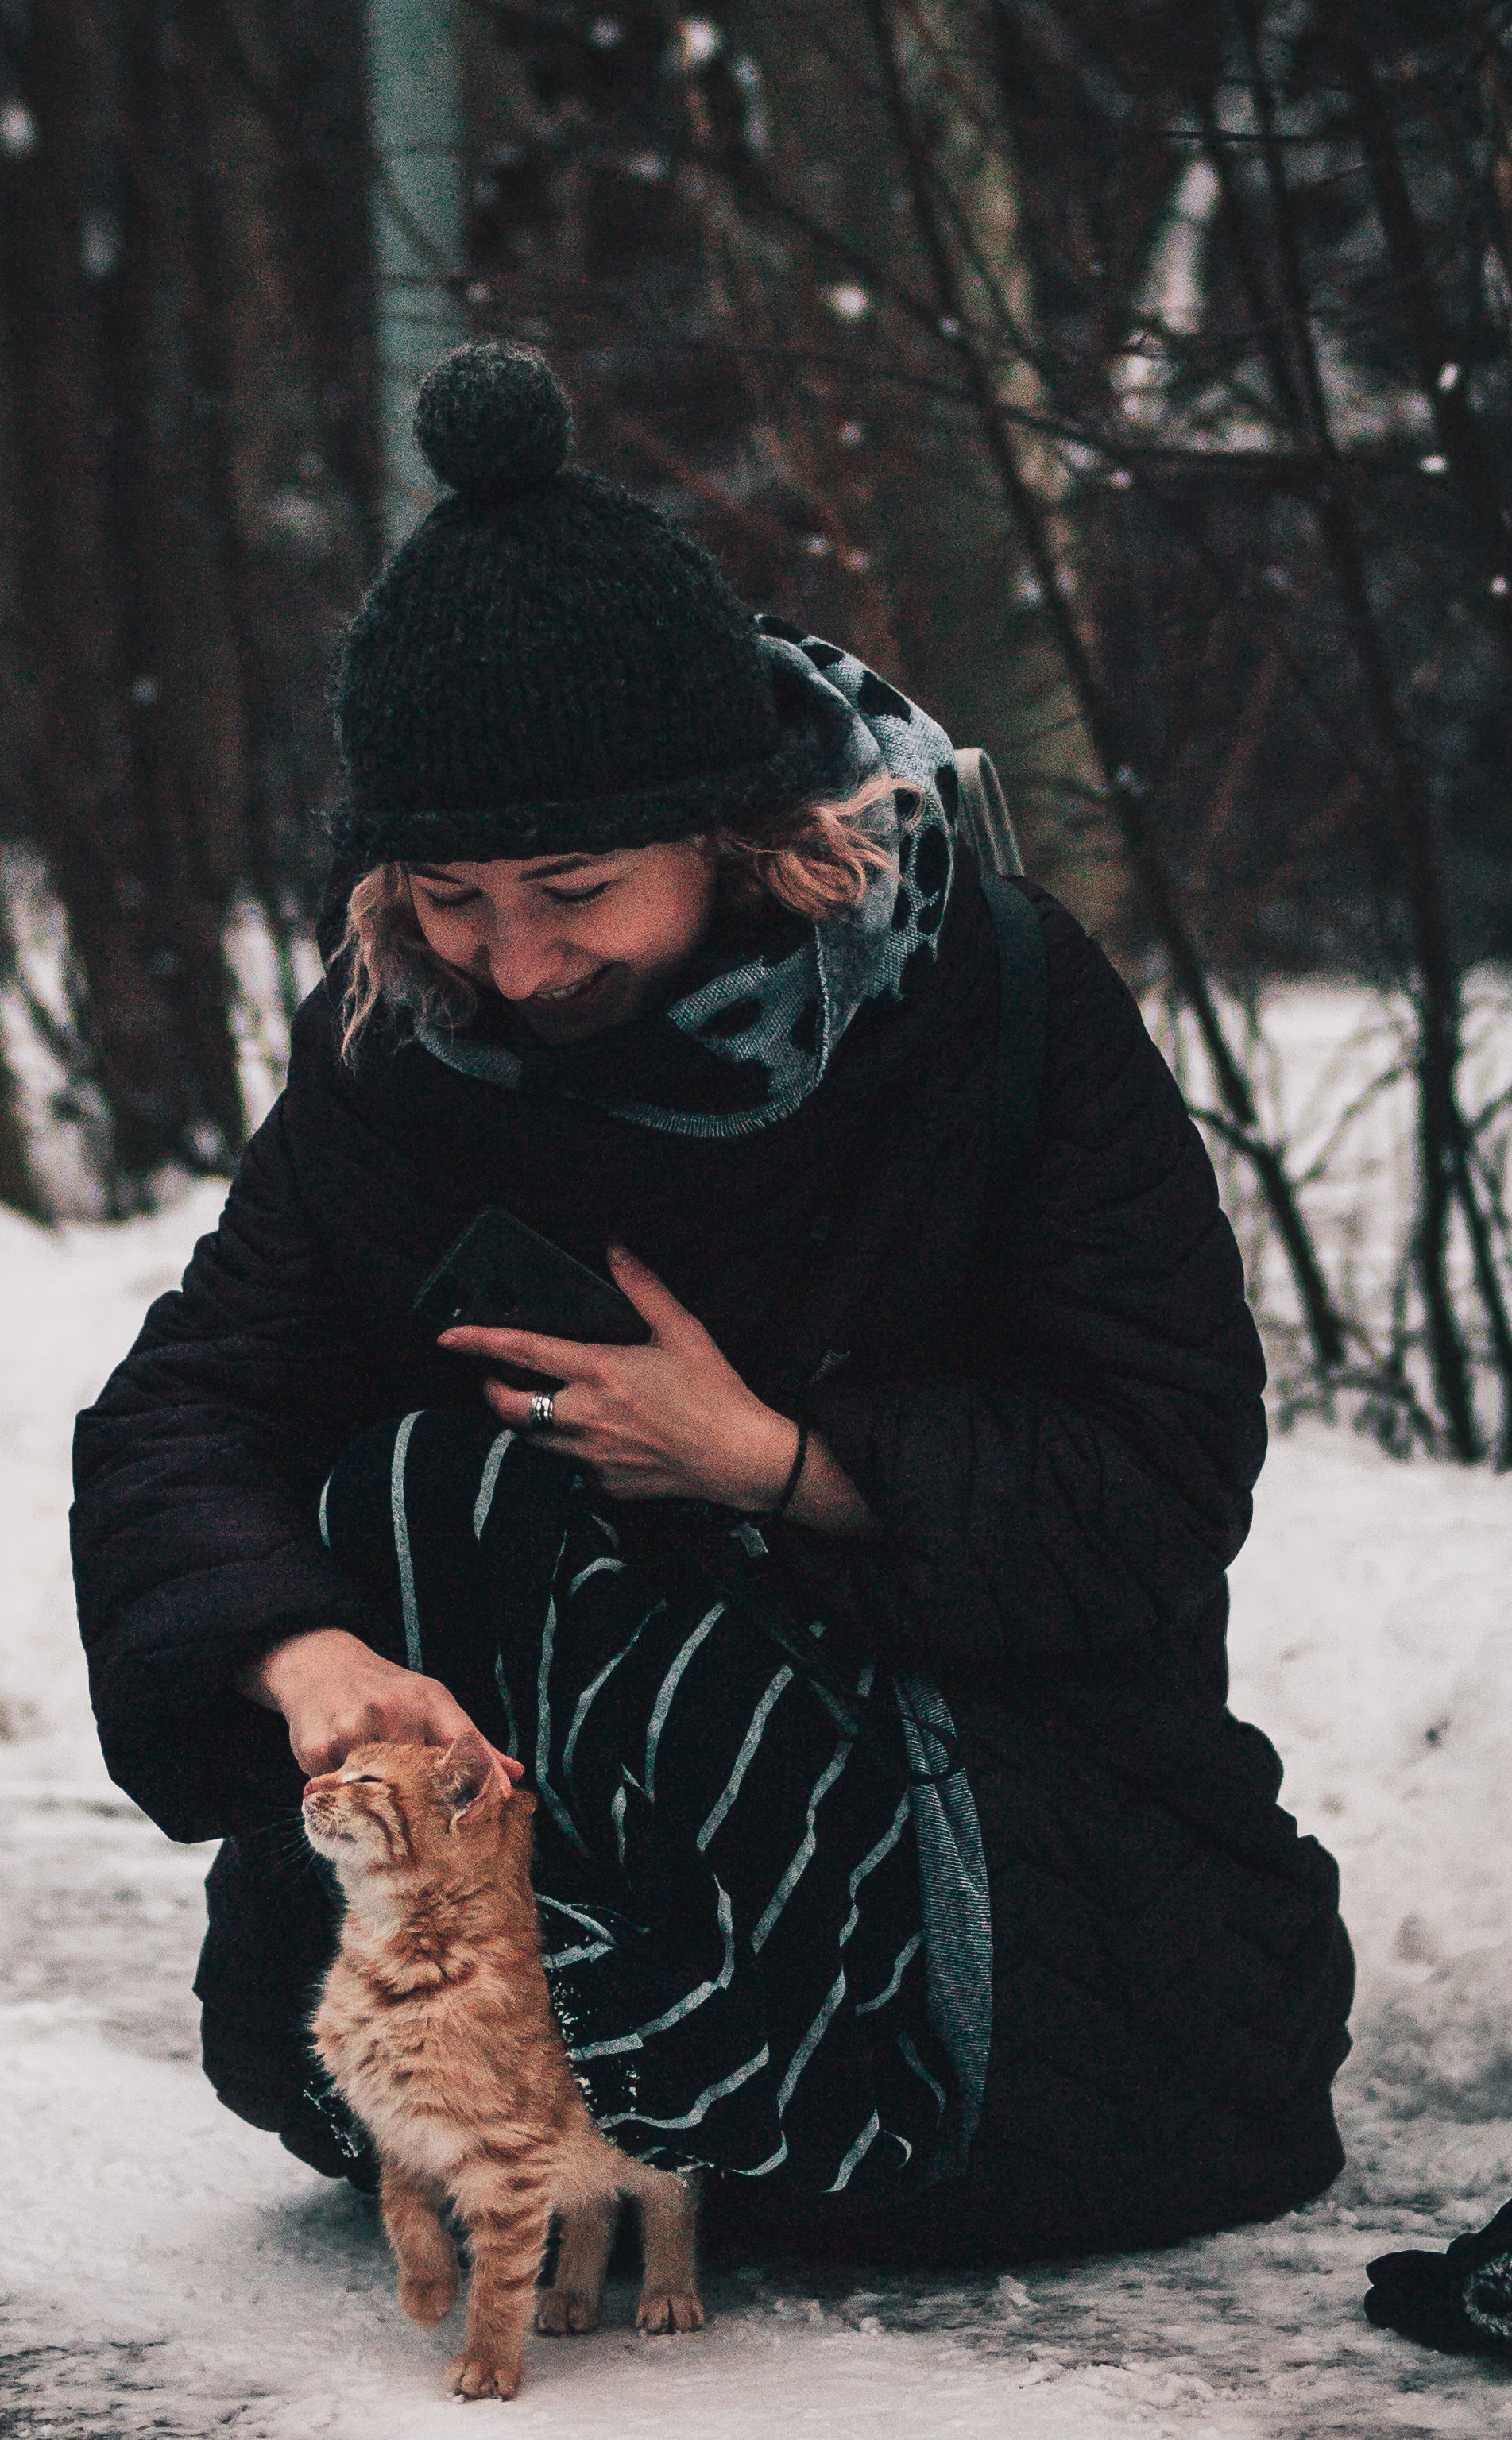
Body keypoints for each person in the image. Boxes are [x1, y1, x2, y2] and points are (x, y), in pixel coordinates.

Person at [72, 342, 1353, 2266]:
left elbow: (1157, 1469)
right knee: (416, 1492)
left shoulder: (982, 1003)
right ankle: (565, 2050)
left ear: (733, 835)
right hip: (560, 1799)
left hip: (983, 1807)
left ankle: (727, 2068)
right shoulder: (397, 1050)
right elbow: (188, 1414)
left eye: (572, 887)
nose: (506, 964)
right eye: (444, 894)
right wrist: (304, 1662)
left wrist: (777, 1463)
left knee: (494, 1502)